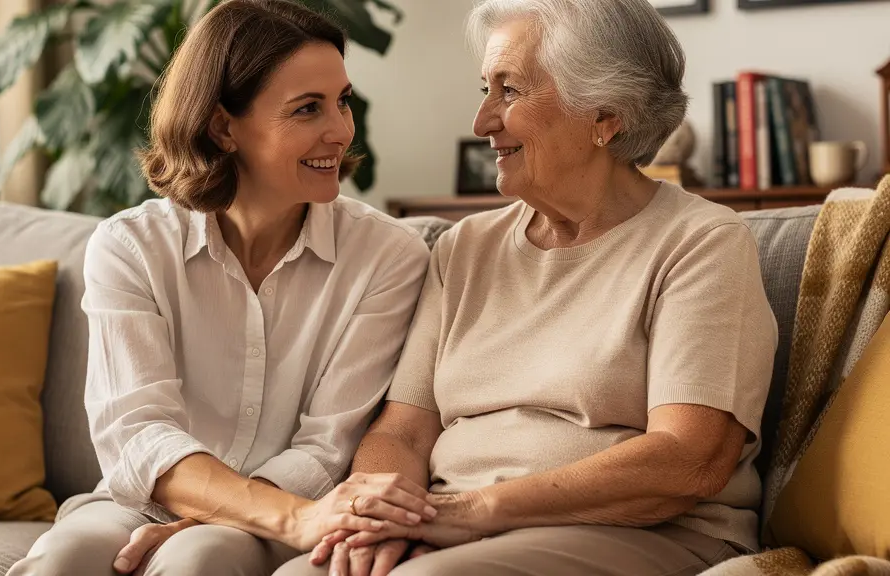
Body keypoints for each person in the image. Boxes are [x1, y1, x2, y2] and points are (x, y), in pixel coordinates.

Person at [274, 0, 779, 574]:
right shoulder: (464, 248)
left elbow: (689, 459)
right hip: (456, 525)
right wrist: (378, 517)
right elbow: (404, 432)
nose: (482, 121)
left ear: (605, 116)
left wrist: (470, 511)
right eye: (484, 90)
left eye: (509, 91)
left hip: (646, 531)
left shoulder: (700, 242)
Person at [5, 1, 434, 575]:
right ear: (223, 127)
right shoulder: (130, 247)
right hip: (145, 503)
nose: (341, 130)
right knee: (66, 557)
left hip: (295, 509)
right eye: (308, 109)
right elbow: (138, 432)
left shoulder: (389, 257)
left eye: (343, 101)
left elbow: (329, 445)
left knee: (202, 555)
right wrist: (239, 508)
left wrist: (249, 515)